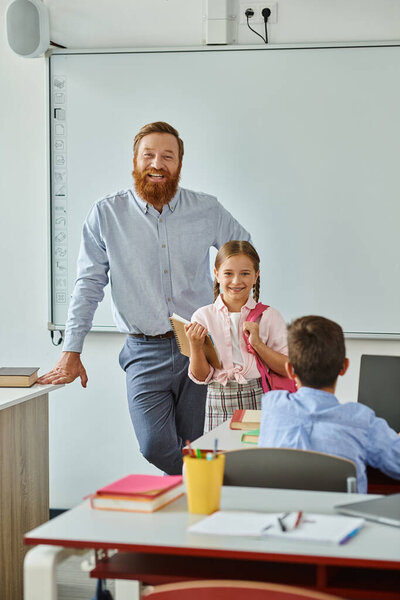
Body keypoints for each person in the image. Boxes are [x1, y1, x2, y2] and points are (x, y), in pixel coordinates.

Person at [38, 121, 251, 475]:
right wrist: (71, 350)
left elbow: (244, 254)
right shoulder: (107, 214)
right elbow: (88, 284)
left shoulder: (207, 209)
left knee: (198, 440)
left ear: (179, 164)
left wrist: (225, 308)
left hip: (198, 345)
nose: (157, 163)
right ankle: (201, 483)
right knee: (155, 445)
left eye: (167, 156)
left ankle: (195, 510)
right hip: (142, 349)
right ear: (134, 161)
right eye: (148, 155)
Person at [258, 315, 400, 493]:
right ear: (344, 367)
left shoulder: (273, 406)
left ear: (289, 369)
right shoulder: (363, 421)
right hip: (343, 520)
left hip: (284, 518)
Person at [185, 240, 288, 432]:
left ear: (256, 276)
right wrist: (196, 347)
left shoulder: (269, 316)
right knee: (221, 458)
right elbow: (201, 377)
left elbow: (287, 367)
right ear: (216, 275)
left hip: (257, 395)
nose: (236, 281)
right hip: (217, 397)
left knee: (254, 460)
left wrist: (258, 344)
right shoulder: (202, 316)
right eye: (228, 273)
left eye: (245, 274)